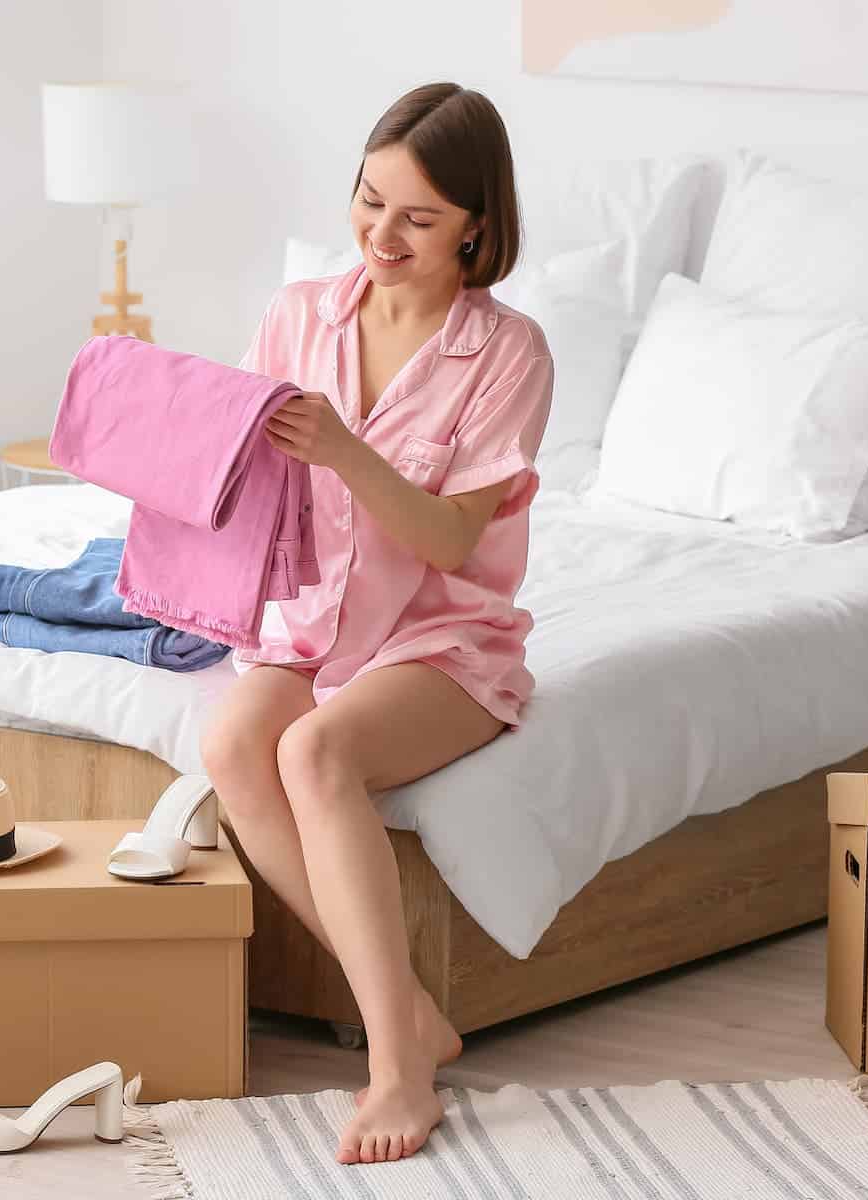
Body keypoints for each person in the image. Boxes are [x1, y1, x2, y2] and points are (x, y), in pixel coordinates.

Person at [199, 82, 553, 1166]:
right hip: (314, 615)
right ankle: (409, 1009)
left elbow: (450, 543)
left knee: (315, 751)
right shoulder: (298, 313)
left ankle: (396, 1067)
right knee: (230, 747)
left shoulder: (509, 352)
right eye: (368, 201)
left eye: (418, 217)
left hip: (445, 637)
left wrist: (348, 451)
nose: (381, 236)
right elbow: (251, 480)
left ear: (476, 227)